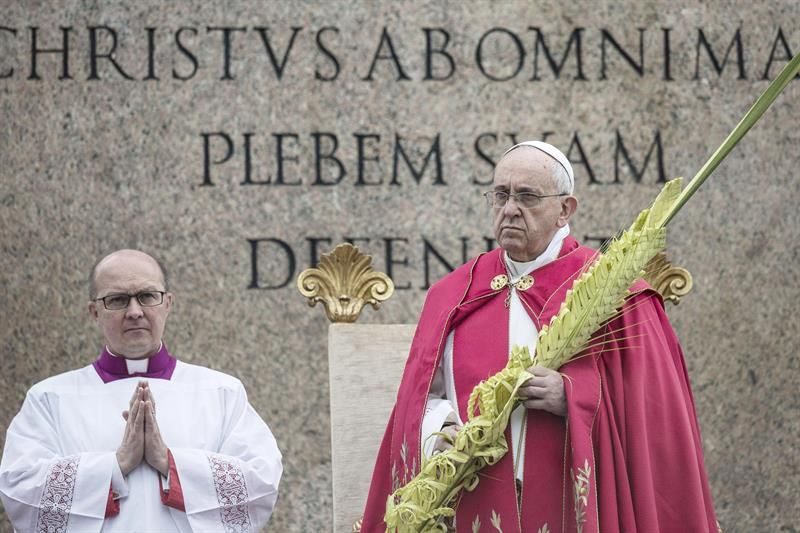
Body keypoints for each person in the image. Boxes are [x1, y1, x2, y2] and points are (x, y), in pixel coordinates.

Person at [362, 142, 719, 532]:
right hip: (473, 505)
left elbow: (657, 416)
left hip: (574, 504)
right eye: (500, 195)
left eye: (527, 196)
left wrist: (573, 397)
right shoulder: (453, 294)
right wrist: (440, 429)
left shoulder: (615, 293)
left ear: (566, 209)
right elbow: (419, 402)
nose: (509, 209)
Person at [0, 249, 282, 532]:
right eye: (118, 300)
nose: (134, 312)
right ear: (94, 312)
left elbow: (261, 482)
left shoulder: (222, 392)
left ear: (167, 304)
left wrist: (169, 462)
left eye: (147, 296)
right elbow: (20, 488)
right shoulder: (49, 398)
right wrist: (116, 465)